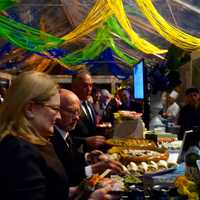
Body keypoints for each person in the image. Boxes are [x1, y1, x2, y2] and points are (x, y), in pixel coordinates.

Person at [0, 71, 118, 200]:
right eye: (55, 109)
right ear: (30, 109)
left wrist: (77, 191)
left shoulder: (34, 142)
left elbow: (47, 192)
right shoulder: (18, 151)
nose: (58, 116)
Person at [51, 89, 123, 186]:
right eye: (72, 112)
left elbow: (72, 158)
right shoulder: (50, 138)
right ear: (57, 111)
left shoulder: (65, 132)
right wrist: (94, 168)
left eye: (78, 112)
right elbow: (62, 178)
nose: (77, 117)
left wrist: (88, 157)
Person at [71, 70, 105, 151]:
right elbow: (64, 136)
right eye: (85, 86)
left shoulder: (89, 104)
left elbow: (91, 128)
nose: (89, 89)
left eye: (91, 85)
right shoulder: (68, 107)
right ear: (74, 87)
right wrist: (84, 141)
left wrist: (104, 131)